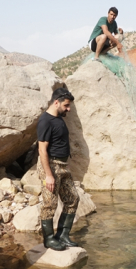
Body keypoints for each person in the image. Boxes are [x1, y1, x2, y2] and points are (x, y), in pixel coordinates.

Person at [37, 88, 80, 251]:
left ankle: (62, 235)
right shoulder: (45, 121)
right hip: (50, 167)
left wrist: (65, 163)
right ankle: (48, 239)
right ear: (56, 102)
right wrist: (49, 175)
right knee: (50, 203)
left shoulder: (59, 118)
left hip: (62, 166)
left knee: (73, 198)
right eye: (66, 106)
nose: (68, 109)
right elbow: (42, 150)